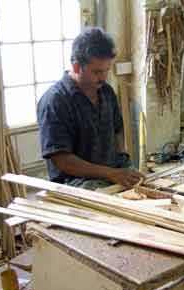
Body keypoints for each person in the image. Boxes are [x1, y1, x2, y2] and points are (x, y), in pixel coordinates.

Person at [37, 27, 144, 190]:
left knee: (146, 189)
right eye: (97, 72)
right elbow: (61, 160)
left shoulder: (106, 92)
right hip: (75, 183)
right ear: (76, 67)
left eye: (106, 71)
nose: (103, 77)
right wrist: (111, 173)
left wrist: (123, 161)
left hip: (111, 174)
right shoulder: (55, 101)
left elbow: (117, 130)